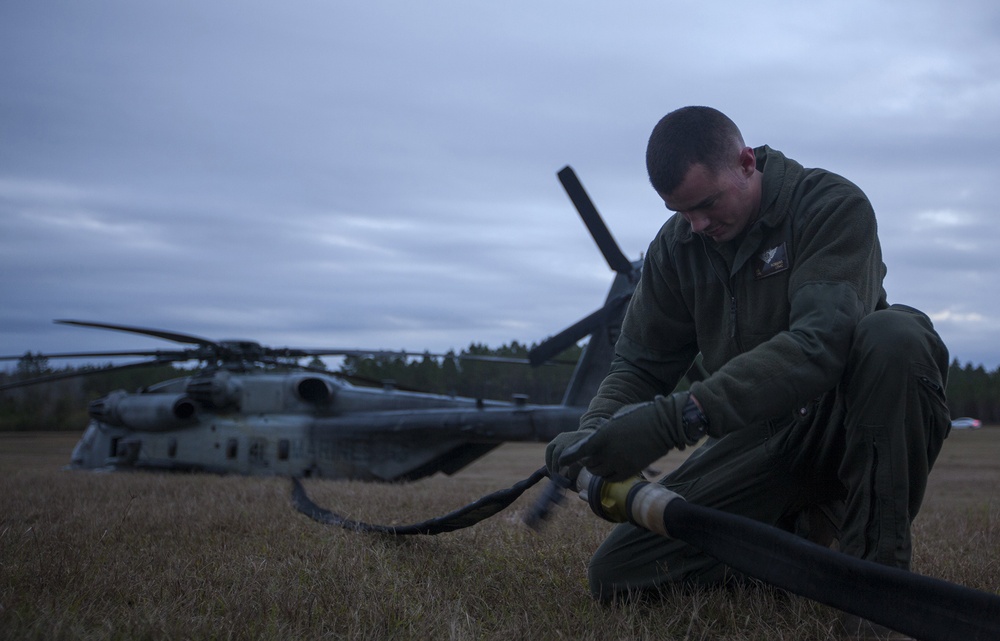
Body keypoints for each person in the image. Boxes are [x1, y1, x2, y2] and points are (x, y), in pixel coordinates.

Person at [545, 107, 951, 613]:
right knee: (618, 575)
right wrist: (595, 433)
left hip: (846, 422)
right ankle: (795, 538)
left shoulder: (829, 205)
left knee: (896, 336)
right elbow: (640, 365)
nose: (698, 225)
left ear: (744, 162)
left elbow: (819, 345)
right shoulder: (678, 247)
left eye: (708, 204)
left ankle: (878, 584)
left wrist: (677, 419)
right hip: (759, 439)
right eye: (682, 212)